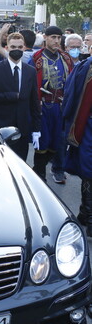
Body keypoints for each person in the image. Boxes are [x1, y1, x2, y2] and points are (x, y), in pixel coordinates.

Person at [0, 33, 41, 161]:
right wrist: (13, 96)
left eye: (20, 47)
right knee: (2, 162)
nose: (16, 50)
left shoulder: (30, 71)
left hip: (23, 126)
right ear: (7, 48)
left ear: (24, 48)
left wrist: (36, 129)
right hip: (1, 124)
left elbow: (34, 101)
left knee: (21, 162)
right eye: (13, 47)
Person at [29, 26, 74, 182]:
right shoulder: (36, 58)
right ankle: (39, 172)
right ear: (46, 38)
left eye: (58, 37)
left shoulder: (66, 58)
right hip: (43, 106)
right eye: (53, 37)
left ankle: (49, 169)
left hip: (61, 106)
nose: (56, 40)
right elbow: (30, 83)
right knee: (42, 142)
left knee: (58, 141)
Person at [63, 56, 92, 235]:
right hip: (88, 125)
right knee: (88, 169)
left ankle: (86, 213)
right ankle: (88, 214)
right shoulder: (86, 67)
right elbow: (72, 95)